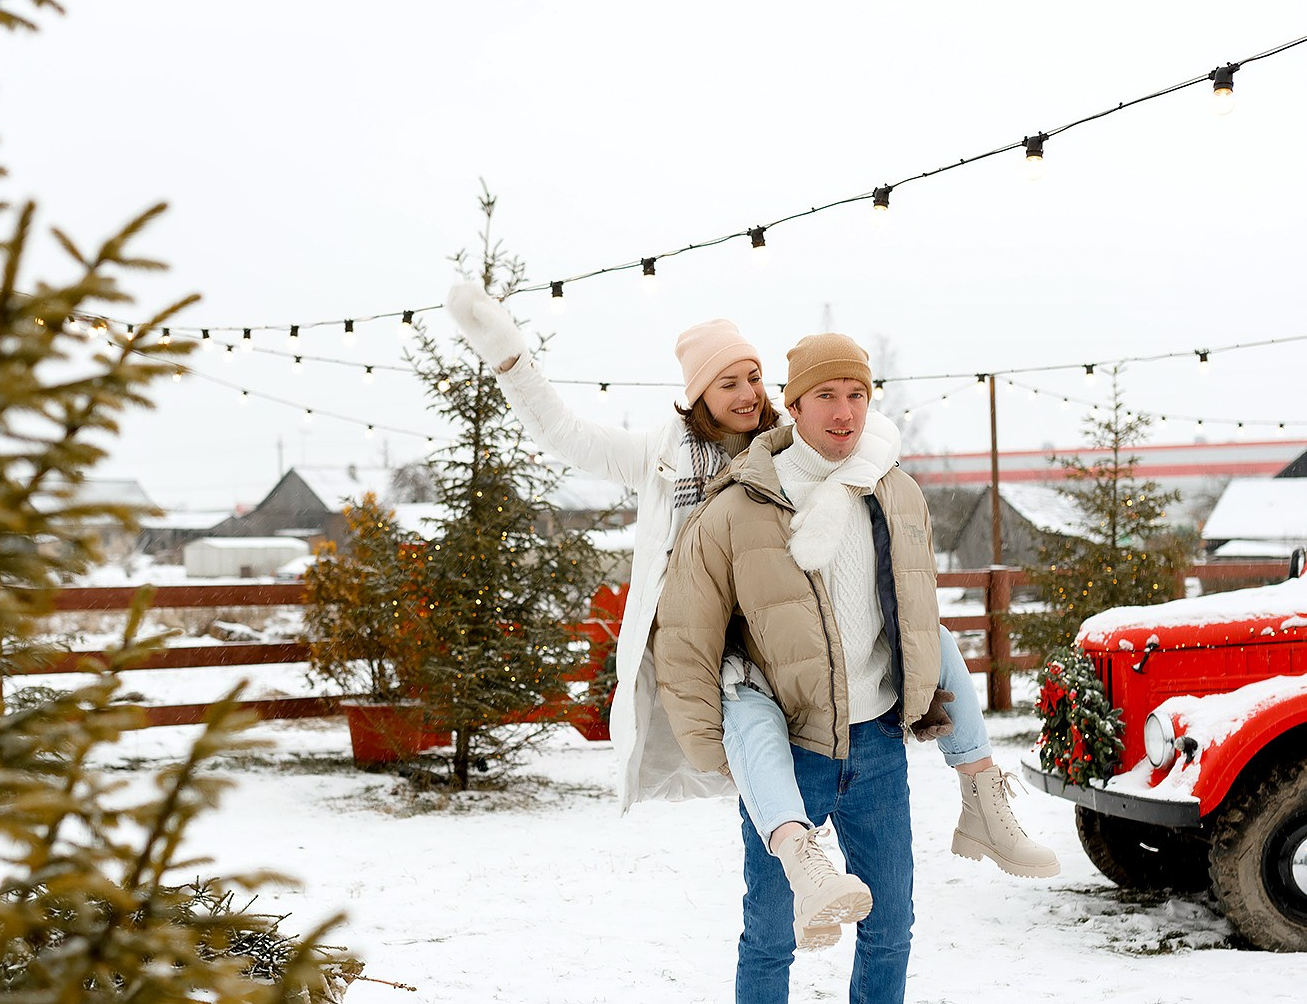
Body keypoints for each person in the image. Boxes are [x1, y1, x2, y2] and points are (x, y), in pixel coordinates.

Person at [445, 284, 1056, 955]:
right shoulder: (663, 454)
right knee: (747, 709)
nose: (745, 393)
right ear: (698, 393)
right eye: (727, 382)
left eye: (754, 377)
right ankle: (802, 869)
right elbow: (566, 436)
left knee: (928, 632)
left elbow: (864, 442)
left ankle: (981, 796)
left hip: (796, 624)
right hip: (723, 639)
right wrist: (509, 359)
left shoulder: (788, 439)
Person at [654, 333, 946, 1004]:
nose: (845, 412)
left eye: (858, 395)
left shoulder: (892, 491)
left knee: (890, 921)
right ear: (794, 402)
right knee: (771, 934)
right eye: (827, 396)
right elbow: (687, 638)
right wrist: (722, 758)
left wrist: (927, 705)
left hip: (880, 739)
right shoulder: (740, 506)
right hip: (790, 747)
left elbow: (919, 610)